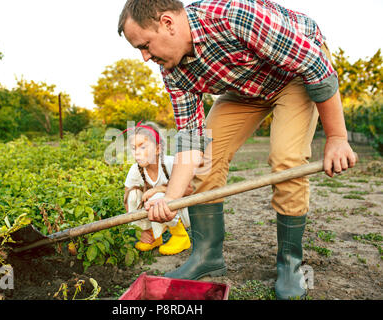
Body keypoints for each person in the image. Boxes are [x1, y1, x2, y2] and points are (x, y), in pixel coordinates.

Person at [117, 0, 357, 300]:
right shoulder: (172, 69)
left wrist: (336, 137)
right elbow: (192, 139)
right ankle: (207, 257)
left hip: (294, 75)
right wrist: (171, 198)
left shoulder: (233, 17)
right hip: (246, 87)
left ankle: (290, 263)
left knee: (287, 159)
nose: (144, 57)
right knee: (207, 161)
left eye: (145, 45)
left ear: (167, 23)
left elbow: (315, 65)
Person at [123, 121, 192, 255]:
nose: (137, 153)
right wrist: (140, 230)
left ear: (158, 149)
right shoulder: (135, 170)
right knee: (132, 194)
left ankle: (180, 236)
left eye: (142, 147)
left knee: (156, 197)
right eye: (133, 148)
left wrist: (158, 189)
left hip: (183, 212)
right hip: (155, 212)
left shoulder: (171, 163)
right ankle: (152, 235)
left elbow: (190, 189)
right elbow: (127, 200)